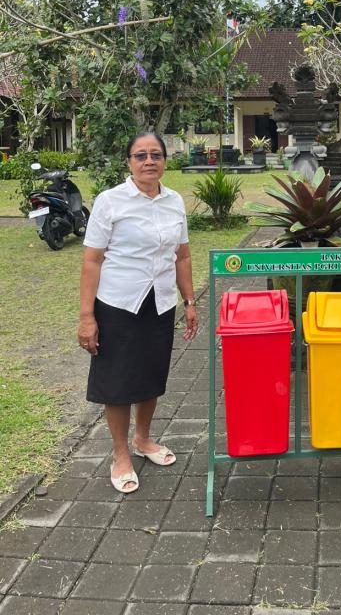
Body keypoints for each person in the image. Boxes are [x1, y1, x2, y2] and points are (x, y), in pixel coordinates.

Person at [77, 132, 199, 494]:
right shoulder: (110, 201)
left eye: (156, 155)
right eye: (140, 155)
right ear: (129, 161)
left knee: (150, 376)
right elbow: (92, 260)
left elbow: (183, 255)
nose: (149, 161)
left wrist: (190, 302)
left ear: (165, 160)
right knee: (117, 382)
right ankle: (119, 454)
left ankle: (143, 440)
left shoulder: (174, 201)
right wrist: (87, 317)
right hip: (118, 303)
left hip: (160, 303)